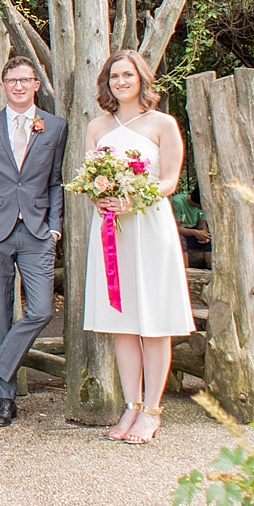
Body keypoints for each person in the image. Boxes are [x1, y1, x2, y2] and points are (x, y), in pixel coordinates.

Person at [82, 48, 194, 446]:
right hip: (112, 230)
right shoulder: (97, 126)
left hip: (148, 225)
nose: (121, 82)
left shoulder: (163, 123)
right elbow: (89, 175)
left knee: (154, 319)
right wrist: (100, 198)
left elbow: (169, 181)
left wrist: (135, 198)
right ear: (107, 83)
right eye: (114, 77)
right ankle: (130, 405)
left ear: (141, 79)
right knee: (123, 322)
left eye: (127, 75)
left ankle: (152, 409)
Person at [0, 57, 69, 428]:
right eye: (12, 80)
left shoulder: (55, 127)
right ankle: (5, 402)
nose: (19, 86)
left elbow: (55, 181)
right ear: (3, 85)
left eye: (26, 80)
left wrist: (55, 227)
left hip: (38, 231)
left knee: (41, 310)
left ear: (36, 84)